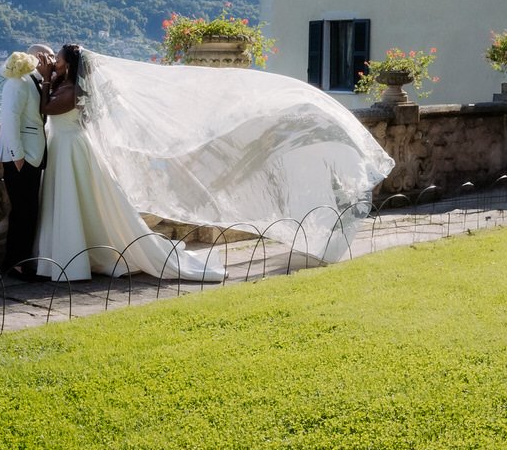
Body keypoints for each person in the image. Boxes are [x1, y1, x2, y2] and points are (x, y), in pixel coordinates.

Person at [34, 43, 395, 282]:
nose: (54, 62)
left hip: (73, 151)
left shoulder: (71, 90)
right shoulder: (70, 84)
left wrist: (46, 78)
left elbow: (45, 109)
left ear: (71, 63)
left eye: (59, 58)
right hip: (69, 150)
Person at [0, 43, 54, 280]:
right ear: (36, 56)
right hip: (22, 158)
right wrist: (17, 156)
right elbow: (10, 120)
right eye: (49, 55)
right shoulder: (18, 82)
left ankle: (22, 262)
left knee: (29, 211)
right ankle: (15, 265)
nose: (52, 60)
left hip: (32, 156)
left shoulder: (35, 82)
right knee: (22, 212)